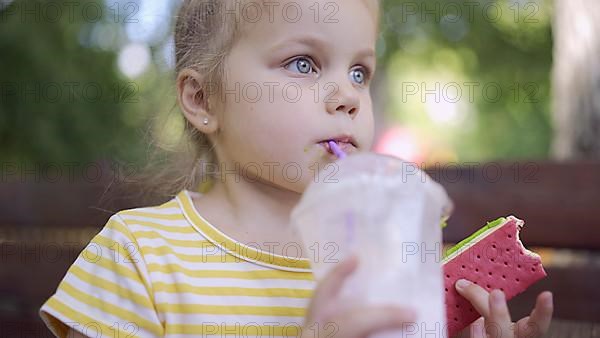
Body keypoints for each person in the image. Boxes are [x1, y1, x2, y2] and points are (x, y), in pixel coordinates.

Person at [39, 0, 554, 337]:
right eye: (303, 63)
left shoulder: (387, 266)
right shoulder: (139, 259)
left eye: (360, 71)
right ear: (203, 99)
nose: (348, 96)